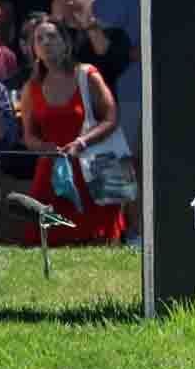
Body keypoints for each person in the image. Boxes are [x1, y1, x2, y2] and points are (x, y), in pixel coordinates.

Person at [19, 17, 124, 244]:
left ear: (66, 43)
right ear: (34, 48)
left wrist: (82, 142)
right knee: (47, 238)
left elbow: (111, 118)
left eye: (52, 36)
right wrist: (43, 147)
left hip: (92, 164)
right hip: (52, 171)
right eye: (40, 38)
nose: (46, 42)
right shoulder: (31, 88)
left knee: (99, 239)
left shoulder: (86, 75)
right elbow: (28, 136)